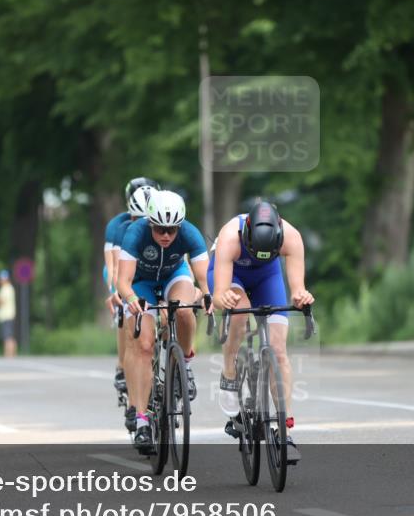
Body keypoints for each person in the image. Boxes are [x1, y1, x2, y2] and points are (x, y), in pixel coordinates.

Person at [209, 200, 314, 461]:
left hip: (268, 277)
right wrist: (225, 299)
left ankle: (284, 431)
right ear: (246, 234)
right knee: (240, 311)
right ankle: (230, 371)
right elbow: (220, 294)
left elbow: (297, 286)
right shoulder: (229, 237)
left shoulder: (291, 236)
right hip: (233, 276)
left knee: (279, 351)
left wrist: (301, 295)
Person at [116, 190, 211, 452]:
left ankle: (186, 363)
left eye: (171, 229)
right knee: (144, 345)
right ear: (150, 222)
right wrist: (131, 298)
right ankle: (143, 419)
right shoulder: (135, 233)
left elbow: (204, 278)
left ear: (180, 226)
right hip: (141, 284)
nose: (166, 235)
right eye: (159, 229)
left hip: (174, 275)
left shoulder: (190, 233)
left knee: (183, 309)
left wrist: (208, 295)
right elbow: (122, 281)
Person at [103, 177, 159, 397]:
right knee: (121, 304)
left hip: (155, 267)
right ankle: (121, 365)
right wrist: (115, 289)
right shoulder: (118, 226)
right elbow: (113, 264)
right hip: (123, 264)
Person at [0, 269, 17, 358]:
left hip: (6, 316)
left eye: (1, 279)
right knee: (9, 336)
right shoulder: (8, 288)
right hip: (8, 316)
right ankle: (10, 354)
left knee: (7, 336)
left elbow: (1, 302)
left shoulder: (6, 289)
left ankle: (9, 354)